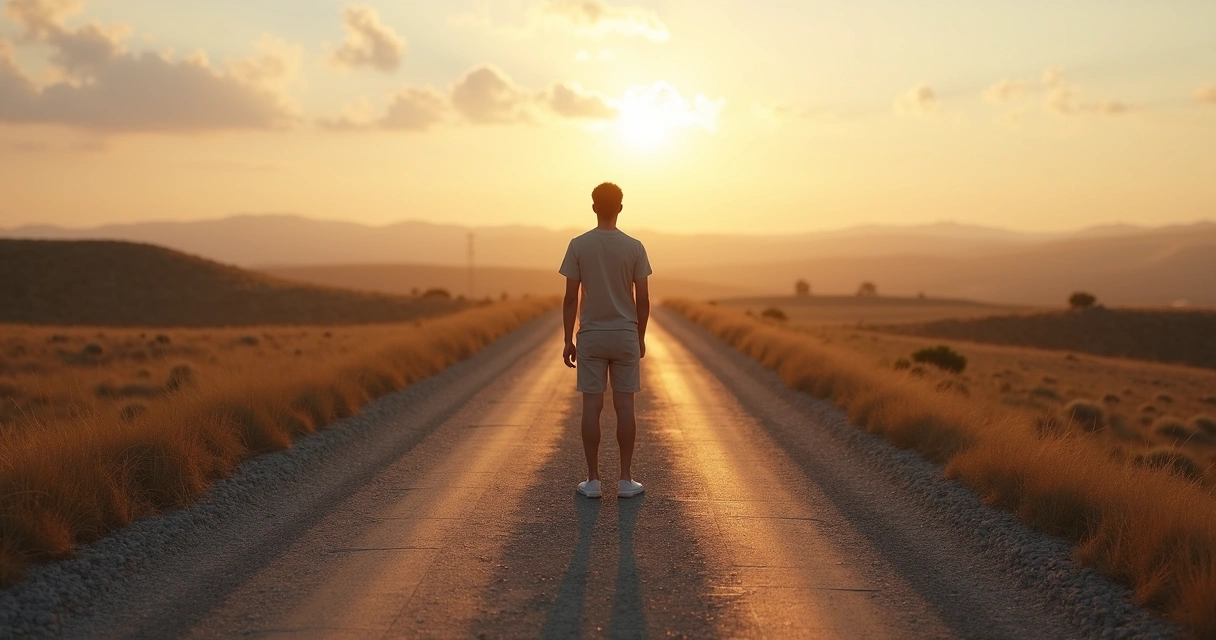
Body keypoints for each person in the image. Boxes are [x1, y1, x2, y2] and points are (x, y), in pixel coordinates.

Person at [559, 182, 652, 499]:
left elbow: (570, 298)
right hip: (624, 334)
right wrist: (639, 337)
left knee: (592, 405)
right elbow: (643, 300)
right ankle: (626, 480)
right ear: (621, 208)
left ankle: (593, 480)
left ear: (594, 207)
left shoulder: (578, 245)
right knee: (625, 405)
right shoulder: (635, 247)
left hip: (592, 335)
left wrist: (567, 339)